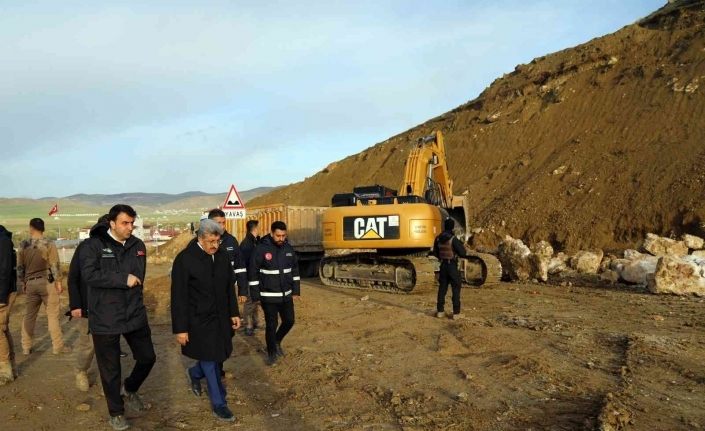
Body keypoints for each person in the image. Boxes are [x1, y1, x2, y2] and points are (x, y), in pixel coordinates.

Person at [80, 204, 156, 431]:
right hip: (105, 317)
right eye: (125, 223)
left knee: (147, 358)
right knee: (110, 369)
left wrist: (128, 282)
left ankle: (130, 388)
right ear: (111, 223)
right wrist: (122, 279)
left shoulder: (138, 246)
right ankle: (116, 412)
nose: (130, 227)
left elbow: (139, 277)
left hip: (134, 313)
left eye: (132, 223)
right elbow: (90, 275)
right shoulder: (93, 246)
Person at [171, 219, 242, 422]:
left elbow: (229, 287)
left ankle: (194, 373)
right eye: (211, 241)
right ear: (200, 238)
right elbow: (179, 297)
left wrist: (234, 313)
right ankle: (219, 404)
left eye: (218, 241)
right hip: (198, 319)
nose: (215, 245)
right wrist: (181, 329)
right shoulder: (185, 260)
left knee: (220, 355)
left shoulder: (221, 256)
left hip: (221, 316)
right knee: (210, 360)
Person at [68, 214, 127, 392]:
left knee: (110, 347)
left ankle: (108, 384)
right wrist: (75, 305)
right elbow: (73, 277)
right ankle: (80, 370)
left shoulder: (118, 249)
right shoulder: (85, 248)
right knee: (88, 346)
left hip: (111, 307)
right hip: (88, 306)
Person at [247, 221, 300, 366]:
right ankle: (271, 353)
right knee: (272, 324)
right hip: (268, 296)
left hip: (286, 295)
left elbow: (295, 270)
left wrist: (296, 290)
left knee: (289, 321)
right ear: (271, 233)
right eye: (278, 236)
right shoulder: (261, 249)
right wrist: (255, 295)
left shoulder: (288, 248)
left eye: (283, 235)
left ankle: (276, 341)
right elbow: (253, 273)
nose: (281, 239)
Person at [17, 218, 70, 355]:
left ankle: (26, 347)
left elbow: (20, 267)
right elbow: (54, 265)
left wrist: (23, 282)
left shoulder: (23, 245)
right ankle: (58, 347)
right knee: (52, 316)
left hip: (30, 283)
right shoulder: (48, 244)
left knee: (29, 316)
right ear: (43, 229)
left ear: (31, 228)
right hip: (47, 283)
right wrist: (58, 282)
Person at [432, 218, 469, 320]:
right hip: (452, 266)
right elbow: (463, 253)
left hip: (443, 266)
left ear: (444, 226)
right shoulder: (453, 239)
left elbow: (435, 252)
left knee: (442, 289)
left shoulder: (438, 238)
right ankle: (456, 313)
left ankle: (440, 311)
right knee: (456, 289)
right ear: (452, 227)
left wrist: (441, 258)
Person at [0, 225, 18, 384]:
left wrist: (1, 297)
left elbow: (4, 270)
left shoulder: (3, 241)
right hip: (4, 290)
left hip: (4, 292)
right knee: (3, 329)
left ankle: (5, 371)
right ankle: (11, 366)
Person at [239, 220, 261, 336]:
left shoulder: (253, 241)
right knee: (249, 301)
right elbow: (248, 264)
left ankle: (255, 322)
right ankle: (248, 325)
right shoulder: (247, 244)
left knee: (255, 299)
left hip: (253, 277)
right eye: (259, 227)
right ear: (255, 228)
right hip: (249, 277)